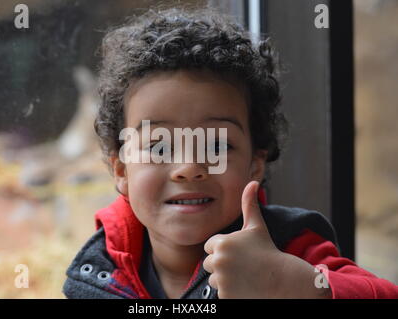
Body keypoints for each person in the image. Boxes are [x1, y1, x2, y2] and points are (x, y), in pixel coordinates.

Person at [63, 5, 398, 299]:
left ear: (255, 163)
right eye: (160, 147)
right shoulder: (100, 265)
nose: (189, 167)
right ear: (121, 170)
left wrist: (296, 286)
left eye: (217, 146)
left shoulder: (289, 248)